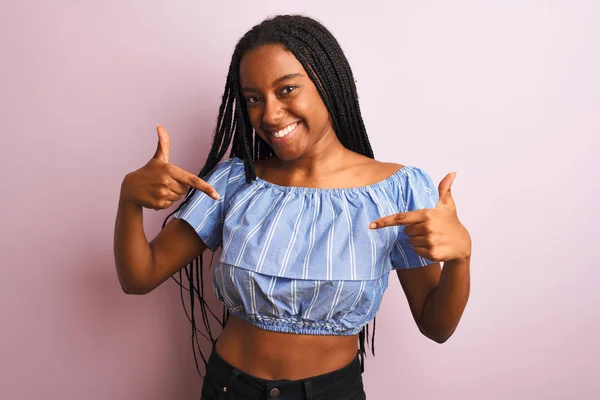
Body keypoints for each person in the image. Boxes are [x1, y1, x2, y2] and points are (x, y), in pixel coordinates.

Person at [114, 14, 471, 400]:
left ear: (330, 83)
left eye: (286, 90)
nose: (268, 115)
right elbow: (140, 277)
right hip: (229, 388)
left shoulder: (397, 190)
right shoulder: (236, 182)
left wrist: (460, 258)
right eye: (253, 98)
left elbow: (436, 326)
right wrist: (129, 199)